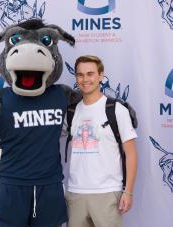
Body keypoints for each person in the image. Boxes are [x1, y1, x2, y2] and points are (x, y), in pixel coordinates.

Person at [65, 55, 137, 227]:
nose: (85, 79)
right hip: (76, 194)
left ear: (101, 76)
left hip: (107, 193)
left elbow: (131, 154)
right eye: (80, 75)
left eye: (90, 74)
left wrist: (128, 192)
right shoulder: (71, 111)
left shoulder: (116, 109)